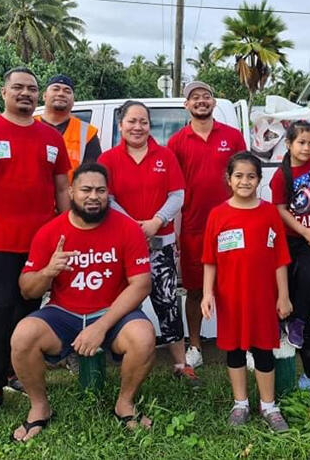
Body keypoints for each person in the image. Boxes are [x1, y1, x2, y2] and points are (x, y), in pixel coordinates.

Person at [0, 67, 71, 426]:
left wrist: (73, 235)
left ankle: (13, 371)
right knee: (1, 310)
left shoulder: (51, 138)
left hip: (40, 246)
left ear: (38, 96)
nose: (25, 93)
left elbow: (63, 190)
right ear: (3, 91)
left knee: (28, 313)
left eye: (31, 89)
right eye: (17, 87)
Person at [10, 163, 156, 442]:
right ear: (71, 191)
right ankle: (39, 408)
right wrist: (48, 271)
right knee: (22, 336)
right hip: (64, 312)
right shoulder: (51, 231)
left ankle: (124, 403)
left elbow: (141, 284)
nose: (93, 196)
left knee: (143, 336)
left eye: (101, 190)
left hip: (111, 313)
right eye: (86, 189)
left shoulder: (127, 228)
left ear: (108, 194)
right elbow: (27, 289)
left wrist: (101, 326)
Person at [97, 100, 198, 384]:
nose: (138, 127)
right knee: (120, 301)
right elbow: (108, 198)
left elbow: (177, 194)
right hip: (121, 247)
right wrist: (131, 226)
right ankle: (120, 357)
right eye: (132, 121)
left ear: (149, 125)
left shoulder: (164, 156)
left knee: (167, 302)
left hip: (160, 244)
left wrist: (155, 221)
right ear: (121, 125)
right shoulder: (108, 159)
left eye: (143, 121)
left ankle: (181, 364)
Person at [201, 152, 292, 431]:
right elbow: (210, 259)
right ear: (229, 179)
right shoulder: (217, 215)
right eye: (238, 175)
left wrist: (283, 295)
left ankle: (269, 405)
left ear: (259, 180)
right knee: (235, 350)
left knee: (264, 349)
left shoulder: (268, 213)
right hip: (231, 298)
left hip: (263, 298)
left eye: (251, 176)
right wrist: (207, 294)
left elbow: (280, 258)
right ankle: (240, 403)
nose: (244, 181)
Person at [167, 81, 246, 368]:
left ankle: (241, 344)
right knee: (196, 289)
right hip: (194, 228)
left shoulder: (233, 137)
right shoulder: (177, 141)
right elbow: (173, 190)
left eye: (206, 96)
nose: (201, 101)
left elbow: (245, 176)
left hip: (231, 227)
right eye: (194, 97)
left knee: (235, 288)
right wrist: (175, 229)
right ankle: (196, 346)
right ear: (186, 105)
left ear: (213, 102)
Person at [269, 120, 310, 398]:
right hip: (289, 241)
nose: (306, 148)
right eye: (301, 142)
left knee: (309, 280)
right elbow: (279, 210)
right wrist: (304, 230)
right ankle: (278, 372)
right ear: (289, 145)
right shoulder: (282, 176)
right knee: (284, 296)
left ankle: (300, 322)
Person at [35, 74, 101, 178]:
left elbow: (92, 176)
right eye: (56, 89)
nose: (61, 94)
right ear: (44, 95)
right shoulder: (28, 125)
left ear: (73, 99)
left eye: (67, 91)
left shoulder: (87, 133)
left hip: (70, 193)